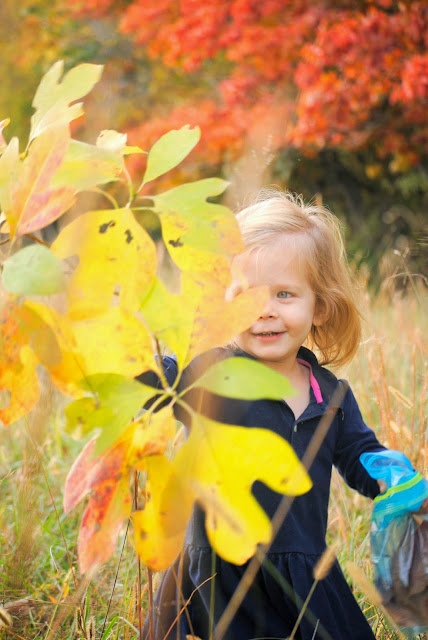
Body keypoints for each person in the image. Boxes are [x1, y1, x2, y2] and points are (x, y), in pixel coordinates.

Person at [141, 189, 409, 639]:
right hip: (219, 575)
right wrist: (137, 354)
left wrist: (394, 477)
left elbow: (360, 454)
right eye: (246, 296)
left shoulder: (331, 395)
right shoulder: (212, 374)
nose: (264, 311)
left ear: (319, 307)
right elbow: (157, 388)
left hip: (301, 573)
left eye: (284, 294)